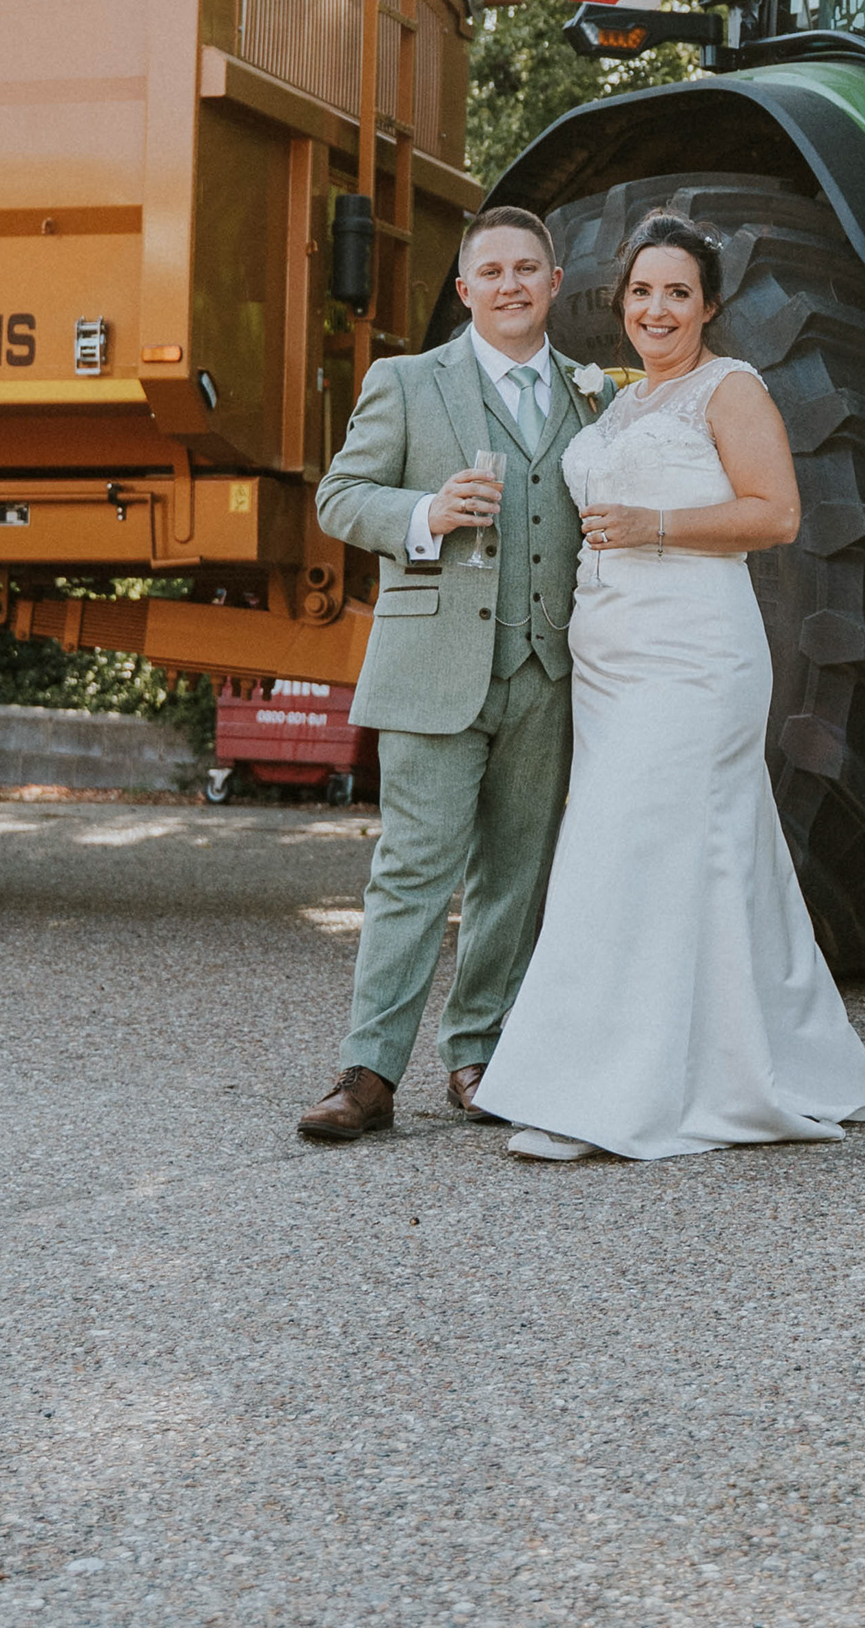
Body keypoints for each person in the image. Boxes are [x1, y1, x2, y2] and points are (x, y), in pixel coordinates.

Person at [473, 215, 865, 1162]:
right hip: (613, 666)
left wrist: (655, 522)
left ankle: (616, 1093)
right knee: (640, 850)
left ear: (708, 307)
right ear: (620, 305)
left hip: (694, 658)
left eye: (675, 293)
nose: (654, 309)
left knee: (643, 846)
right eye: (639, 292)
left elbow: (776, 515)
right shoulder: (619, 406)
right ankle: (656, 1064)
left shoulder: (729, 388)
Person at [295, 206, 602, 1142]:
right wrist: (427, 511)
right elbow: (339, 498)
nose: (511, 284)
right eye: (491, 272)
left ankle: (480, 1056)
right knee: (412, 873)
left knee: (517, 873)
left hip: (548, 669)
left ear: (554, 283)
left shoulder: (593, 397)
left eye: (528, 269)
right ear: (465, 290)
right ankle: (369, 1072)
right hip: (433, 666)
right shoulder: (406, 381)